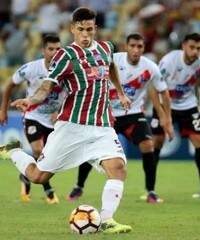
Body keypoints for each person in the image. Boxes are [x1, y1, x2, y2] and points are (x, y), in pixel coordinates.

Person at [0, 7, 132, 234]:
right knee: (38, 176)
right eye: (80, 29)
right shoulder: (65, 55)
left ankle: (108, 219)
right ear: (72, 29)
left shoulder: (106, 48)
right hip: (72, 127)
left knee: (118, 167)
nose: (85, 34)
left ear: (95, 29)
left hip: (101, 125)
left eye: (89, 29)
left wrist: (119, 92)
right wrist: (31, 100)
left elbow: (110, 67)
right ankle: (12, 150)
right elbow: (46, 86)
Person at [67, 33, 174, 203]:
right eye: (132, 46)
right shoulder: (113, 60)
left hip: (133, 115)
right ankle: (79, 186)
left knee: (148, 145)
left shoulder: (151, 67)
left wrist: (167, 119)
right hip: (107, 115)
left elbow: (163, 92)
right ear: (126, 47)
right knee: (92, 149)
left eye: (139, 46)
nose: (136, 50)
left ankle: (151, 191)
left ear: (144, 48)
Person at [151, 33, 200, 199]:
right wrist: (163, 115)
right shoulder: (168, 62)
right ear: (183, 46)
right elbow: (153, 87)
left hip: (188, 105)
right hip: (164, 104)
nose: (195, 51)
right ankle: (150, 190)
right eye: (192, 47)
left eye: (198, 48)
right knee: (156, 143)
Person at [0, 34, 62, 204]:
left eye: (58, 49)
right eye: (51, 49)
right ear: (43, 51)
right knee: (38, 151)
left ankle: (24, 175)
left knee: (48, 157)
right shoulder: (32, 68)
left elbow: (71, 95)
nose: (55, 52)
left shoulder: (65, 70)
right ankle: (49, 191)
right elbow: (9, 85)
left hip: (54, 120)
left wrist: (61, 112)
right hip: (33, 115)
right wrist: (3, 110)